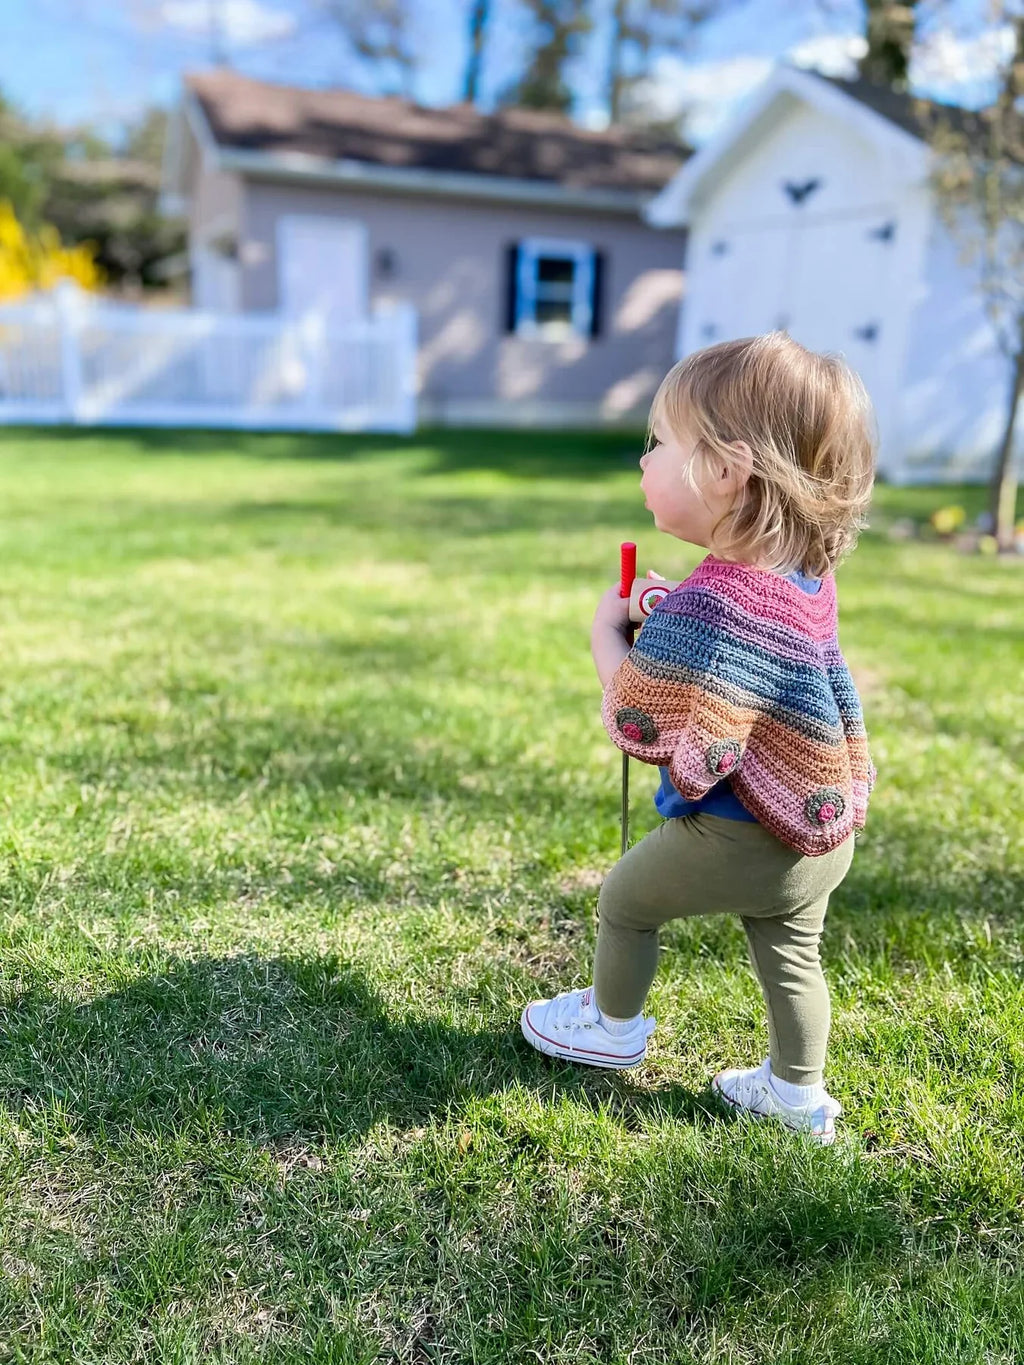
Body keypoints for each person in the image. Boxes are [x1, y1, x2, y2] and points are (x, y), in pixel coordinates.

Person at [521, 332, 876, 1145]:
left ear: (723, 469)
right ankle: (796, 1094)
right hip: (816, 828)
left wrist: (609, 632)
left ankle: (610, 1026)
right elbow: (736, 639)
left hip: (738, 832)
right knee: (790, 952)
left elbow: (640, 708)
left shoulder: (719, 602)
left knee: (626, 902)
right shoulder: (800, 573)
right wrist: (672, 608)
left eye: (658, 444)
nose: (643, 461)